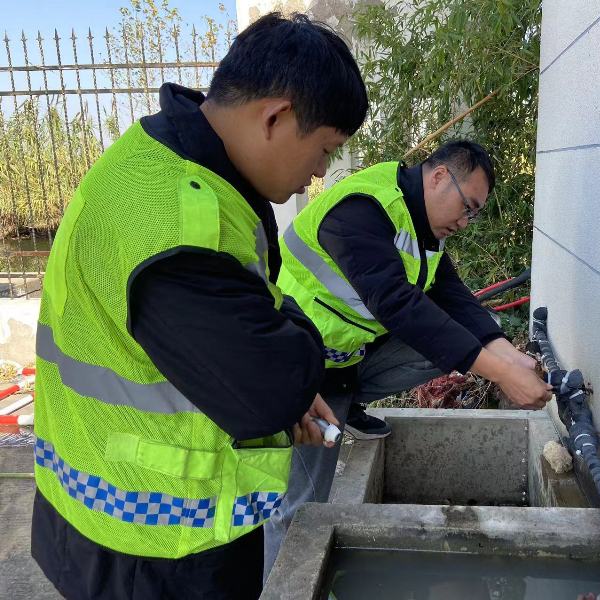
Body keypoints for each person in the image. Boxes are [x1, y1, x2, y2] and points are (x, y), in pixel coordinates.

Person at [30, 13, 367, 600]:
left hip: (101, 513)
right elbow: (269, 389)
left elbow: (248, 332)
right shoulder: (177, 220)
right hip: (155, 549)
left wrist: (276, 359)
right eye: (324, 149)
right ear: (276, 117)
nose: (319, 172)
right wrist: (290, 367)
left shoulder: (160, 164)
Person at [264, 140, 552, 576]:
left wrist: (512, 358)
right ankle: (276, 583)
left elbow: (452, 296)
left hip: (344, 363)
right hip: (296, 372)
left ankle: (350, 406)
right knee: (301, 506)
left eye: (474, 214)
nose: (466, 222)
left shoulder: (423, 226)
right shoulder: (361, 210)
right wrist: (500, 374)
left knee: (452, 342)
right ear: (439, 177)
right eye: (467, 207)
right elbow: (397, 304)